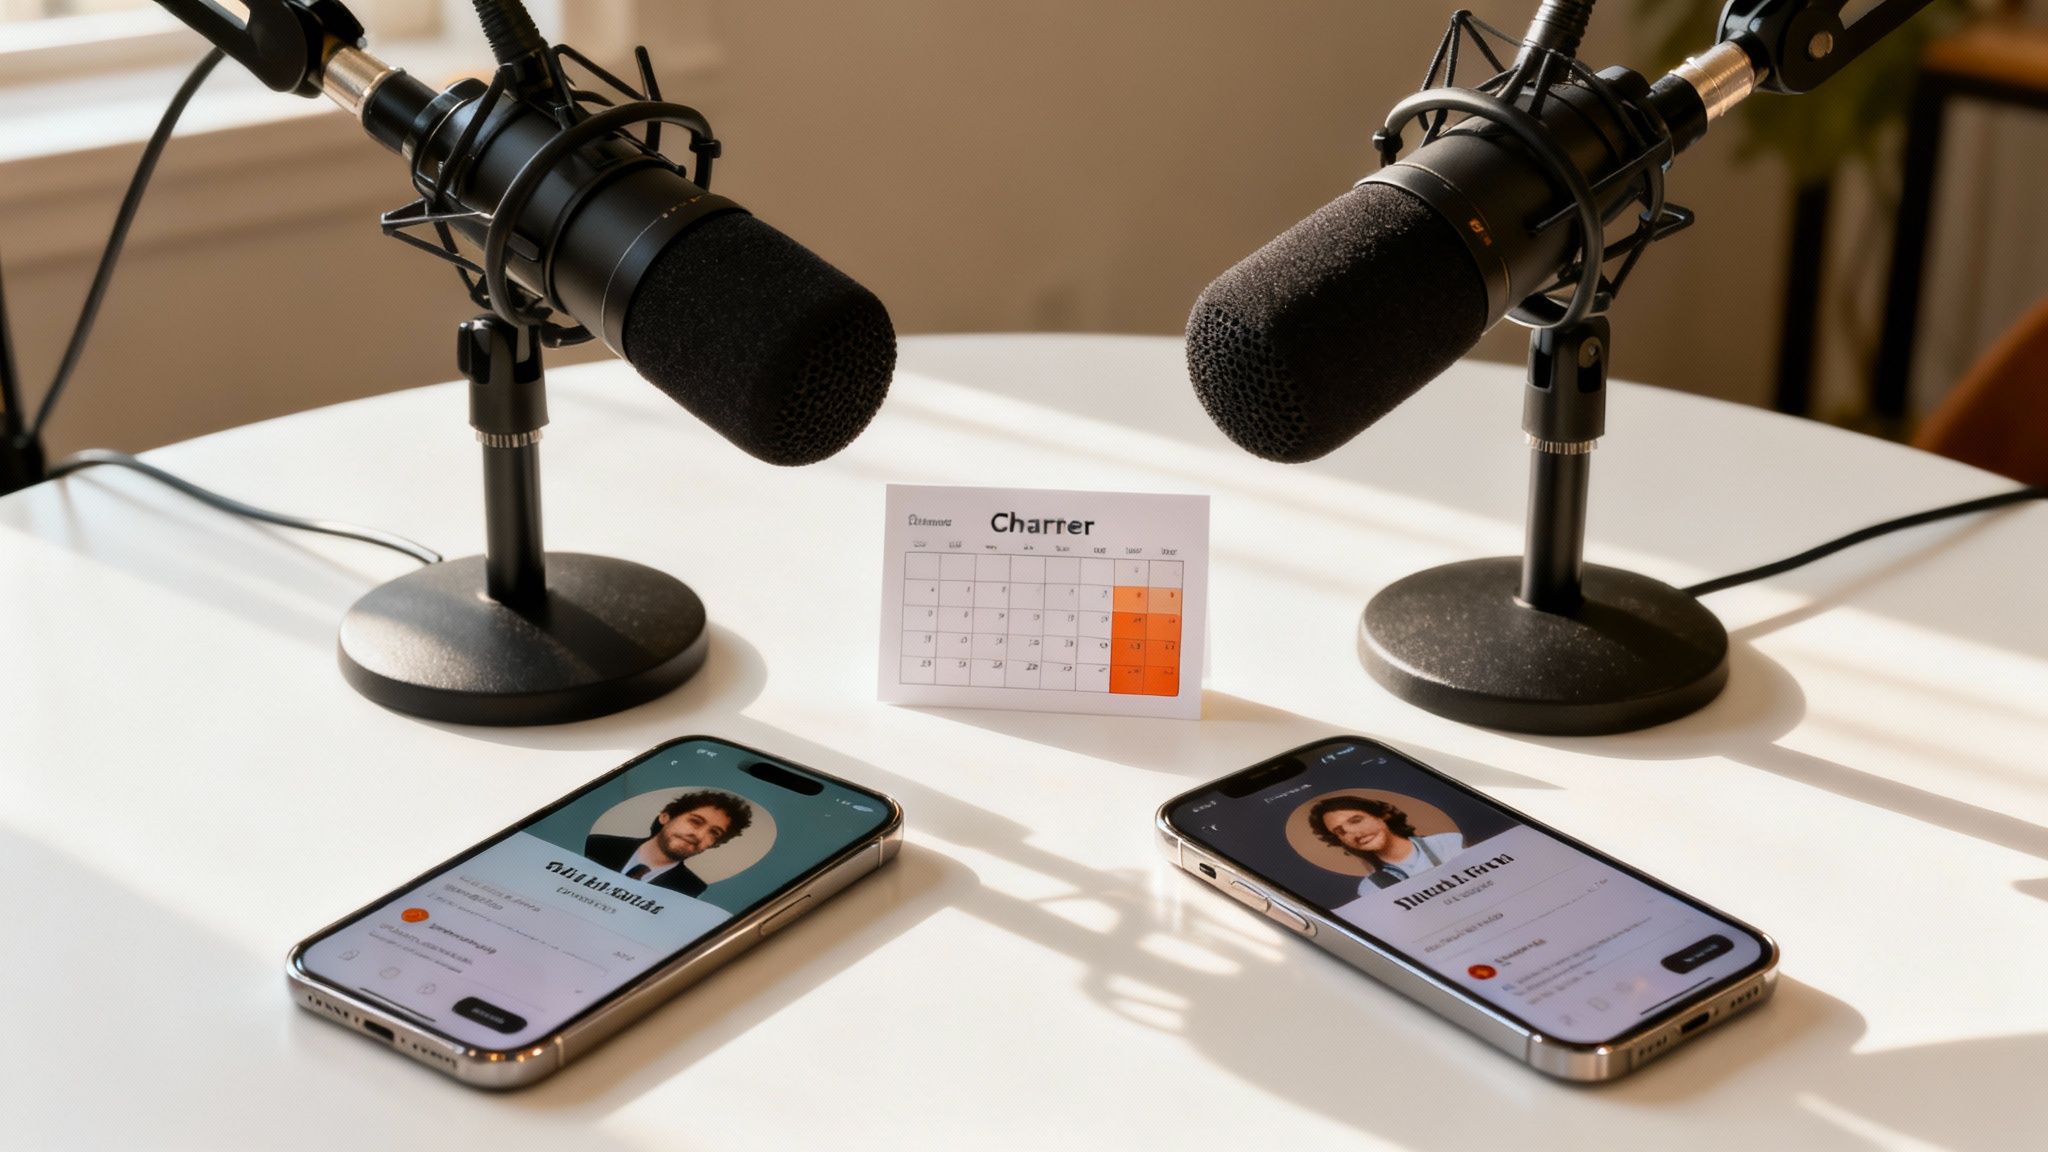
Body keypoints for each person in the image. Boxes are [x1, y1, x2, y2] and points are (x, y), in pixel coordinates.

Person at [584, 790, 755, 897]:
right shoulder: (595, 845)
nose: (699, 834)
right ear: (666, 817)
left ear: (714, 843)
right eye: (696, 821)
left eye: (714, 833)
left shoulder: (693, 892)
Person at [1307, 795, 1464, 894]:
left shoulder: (1451, 842)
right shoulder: (1371, 888)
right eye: (1340, 831)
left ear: (1381, 816)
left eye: (1356, 820)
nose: (1355, 834)